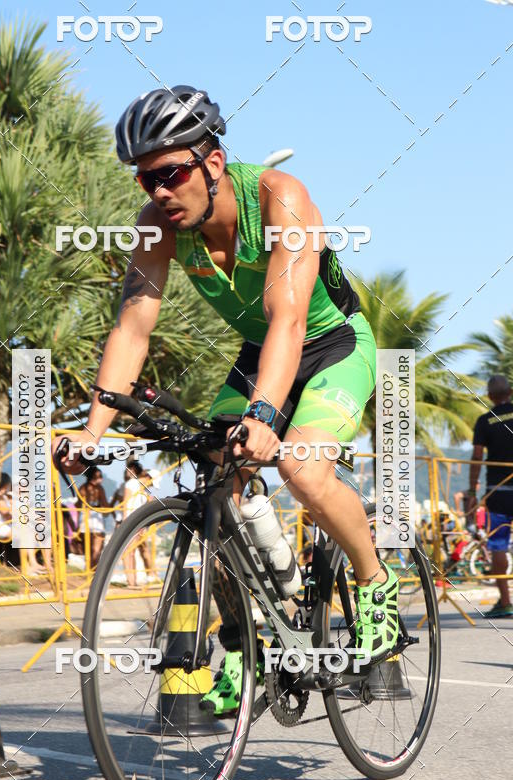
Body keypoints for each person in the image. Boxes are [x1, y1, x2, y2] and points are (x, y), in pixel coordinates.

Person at [53, 85, 399, 714]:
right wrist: (93, 432)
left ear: (212, 164)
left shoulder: (278, 197)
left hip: (329, 344)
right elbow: (133, 328)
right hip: (259, 354)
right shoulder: (157, 227)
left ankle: (376, 584)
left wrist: (264, 418)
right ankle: (251, 637)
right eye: (144, 180)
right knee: (215, 483)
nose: (157, 191)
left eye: (169, 174)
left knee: (300, 466)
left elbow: (290, 320)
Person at [469, 374, 513, 617]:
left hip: (499, 491)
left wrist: (472, 489)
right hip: (501, 489)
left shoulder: (485, 421)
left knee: (498, 545)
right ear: (511, 392)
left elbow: (477, 457)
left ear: (489, 397)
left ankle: (506, 601)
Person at [121, 460, 155, 587]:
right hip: (137, 521)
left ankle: (132, 581)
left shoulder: (133, 484)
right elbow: (130, 503)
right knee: (135, 550)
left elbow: (126, 503)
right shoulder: (139, 486)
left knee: (130, 552)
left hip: (133, 521)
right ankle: (137, 579)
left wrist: (125, 521)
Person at [78, 467, 109, 569]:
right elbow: (105, 504)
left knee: (90, 549)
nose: (100, 479)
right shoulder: (99, 489)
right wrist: (108, 512)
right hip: (96, 517)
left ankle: (89, 570)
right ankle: (93, 572)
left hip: (85, 517)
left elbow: (78, 505)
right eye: (99, 476)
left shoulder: (82, 488)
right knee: (96, 549)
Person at [0, 472, 20, 568]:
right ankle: (30, 563)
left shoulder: (2, 497)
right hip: (0, 528)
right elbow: (6, 513)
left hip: (5, 525)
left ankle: (30, 562)